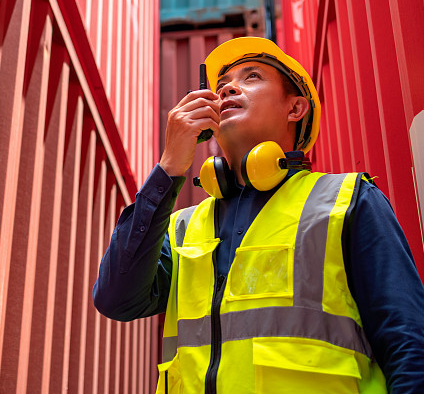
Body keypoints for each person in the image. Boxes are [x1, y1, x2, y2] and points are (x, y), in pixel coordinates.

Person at [93, 37, 424, 393]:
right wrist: (169, 166)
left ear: (295, 108)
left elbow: (408, 345)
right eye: (221, 85)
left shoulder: (348, 201)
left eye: (251, 77)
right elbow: (116, 299)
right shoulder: (182, 227)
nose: (229, 88)